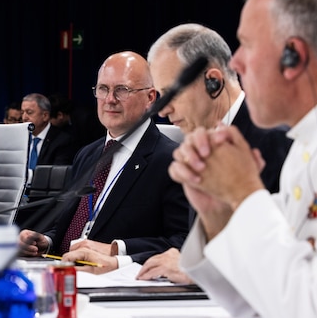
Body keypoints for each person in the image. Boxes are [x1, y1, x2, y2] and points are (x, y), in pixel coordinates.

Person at [67, 24, 293, 281]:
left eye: (171, 94)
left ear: (213, 82)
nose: (163, 111)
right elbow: (191, 252)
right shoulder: (205, 145)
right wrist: (123, 263)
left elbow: (285, 260)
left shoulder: (276, 140)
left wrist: (198, 270)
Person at [168, 0, 317, 318]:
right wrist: (218, 212)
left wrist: (245, 192)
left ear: (293, 56)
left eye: (247, 45)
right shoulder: (303, 146)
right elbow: (257, 304)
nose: (237, 62)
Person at [18, 51, 189, 266]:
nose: (109, 100)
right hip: (60, 270)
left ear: (150, 98)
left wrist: (117, 250)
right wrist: (46, 241)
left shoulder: (172, 161)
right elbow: (67, 223)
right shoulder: (87, 154)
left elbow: (183, 244)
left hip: (113, 284)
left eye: (122, 90)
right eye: (103, 89)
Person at [22, 92, 77, 169]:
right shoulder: (20, 138)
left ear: (45, 116)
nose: (24, 117)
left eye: (29, 112)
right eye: (22, 112)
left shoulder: (62, 141)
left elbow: (58, 175)